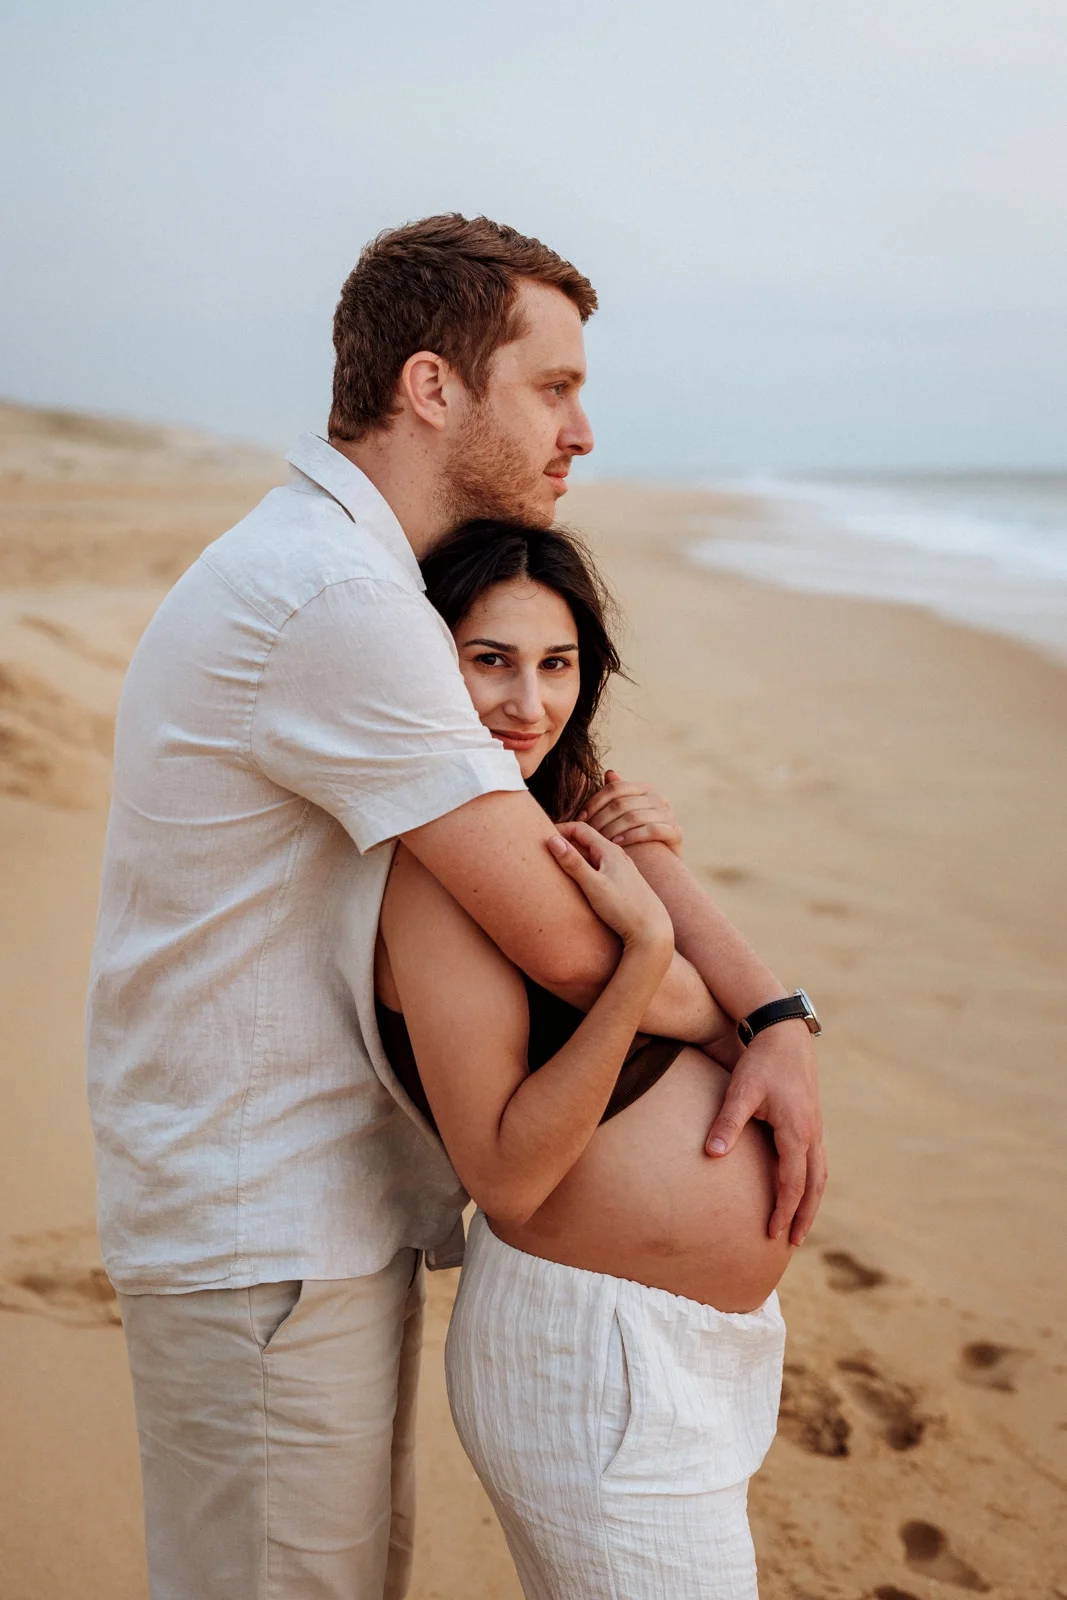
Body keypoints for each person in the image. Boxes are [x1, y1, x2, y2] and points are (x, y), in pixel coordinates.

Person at [85, 213, 825, 1600]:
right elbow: (569, 943)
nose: (581, 432)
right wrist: (729, 1011)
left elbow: (579, 818)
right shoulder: (332, 599)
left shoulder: (363, 589)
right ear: (431, 386)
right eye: (552, 387)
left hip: (310, 1214)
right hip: (261, 1224)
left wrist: (774, 1014)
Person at [367, 521, 803, 1599]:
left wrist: (658, 864)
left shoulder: (546, 809)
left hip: (684, 1347)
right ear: (422, 661)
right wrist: (642, 958)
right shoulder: (438, 870)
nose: (528, 702)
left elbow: (749, 1007)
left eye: (556, 664)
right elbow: (507, 1176)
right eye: (489, 660)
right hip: (594, 1358)